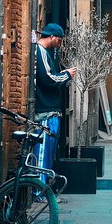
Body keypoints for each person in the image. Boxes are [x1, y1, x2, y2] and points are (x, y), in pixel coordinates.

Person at [34, 22, 75, 175]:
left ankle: (42, 188)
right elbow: (49, 79)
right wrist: (66, 75)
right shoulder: (41, 51)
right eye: (59, 39)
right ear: (51, 37)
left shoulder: (45, 52)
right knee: (43, 152)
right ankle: (39, 189)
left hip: (48, 110)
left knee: (47, 153)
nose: (60, 43)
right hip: (45, 111)